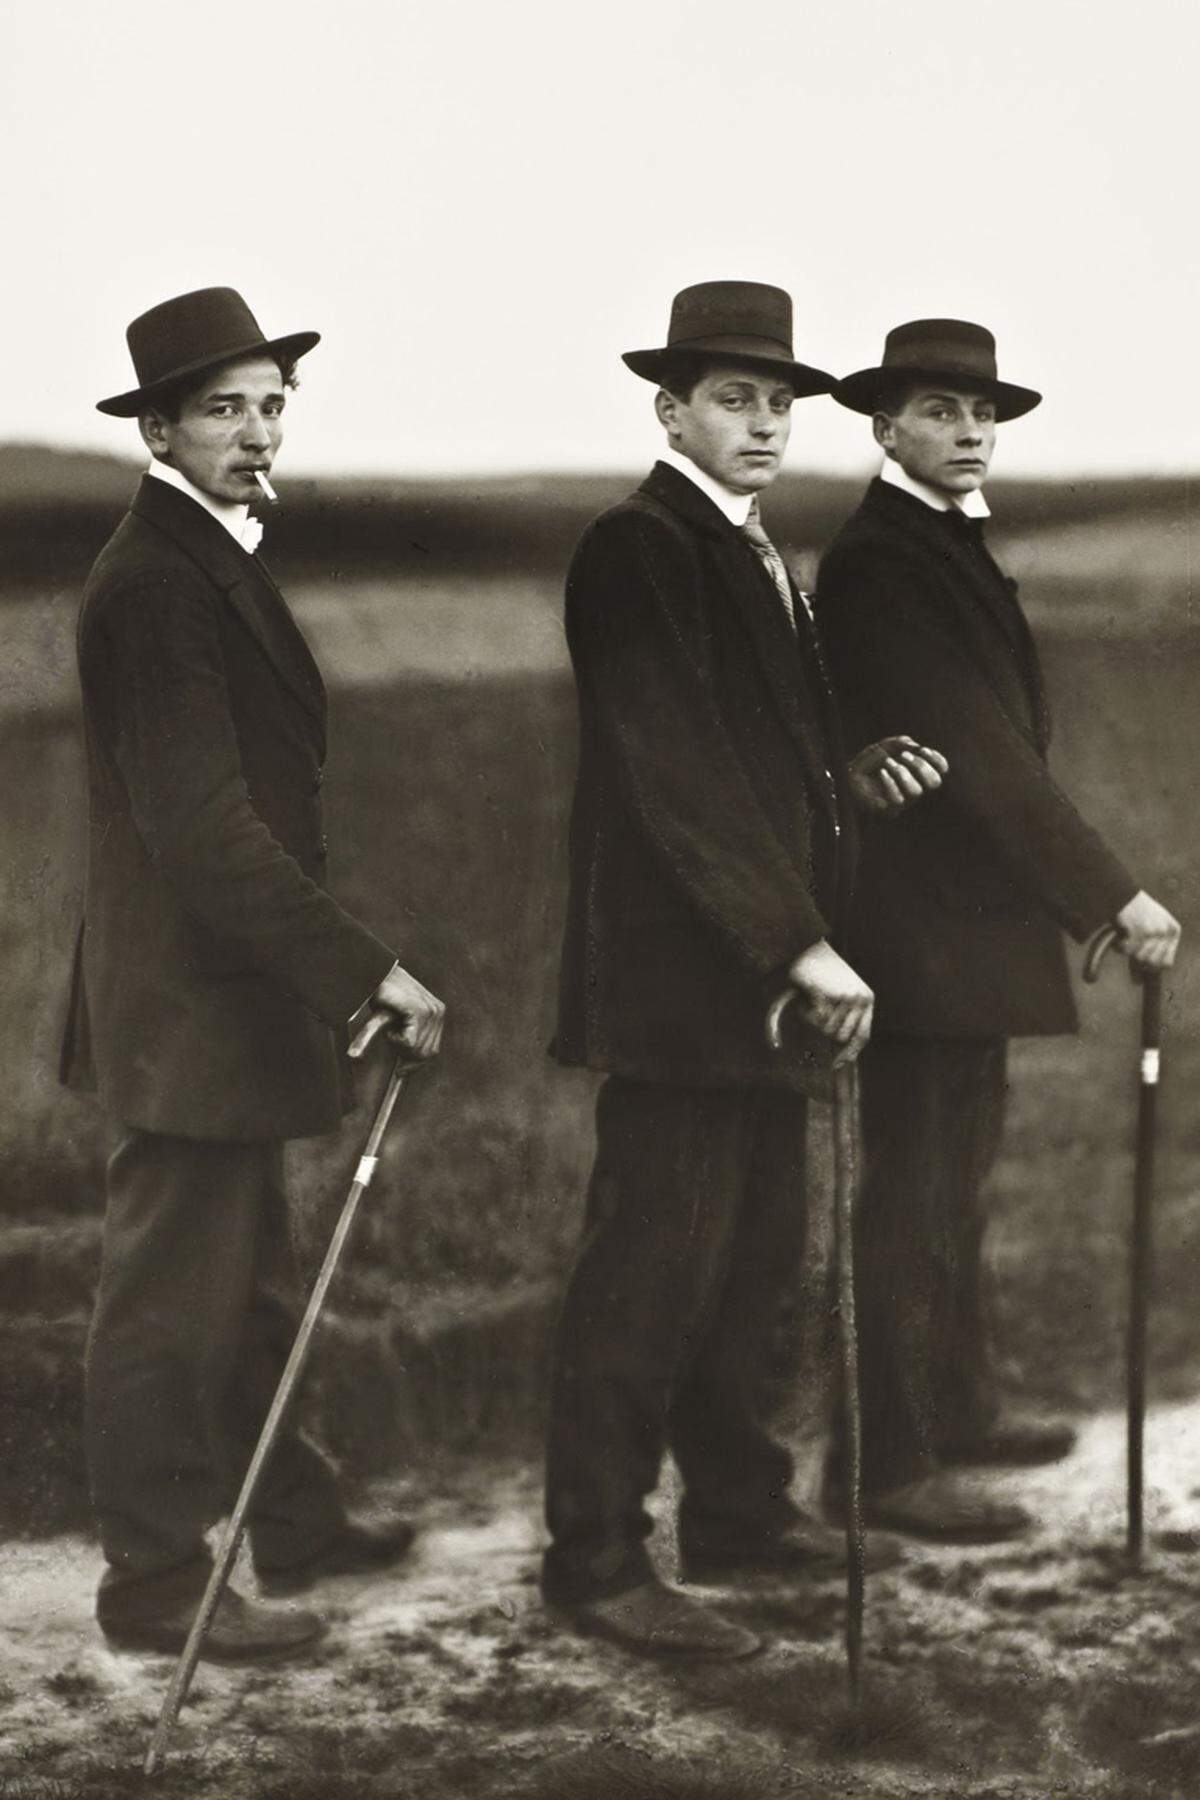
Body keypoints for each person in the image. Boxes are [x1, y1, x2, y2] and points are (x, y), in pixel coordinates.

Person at [543, 281, 947, 1659]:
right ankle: (594, 1561)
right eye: (734, 398)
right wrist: (797, 939)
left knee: (757, 1261)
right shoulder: (639, 548)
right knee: (649, 1270)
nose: (765, 422)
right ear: (672, 408)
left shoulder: (755, 551)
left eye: (779, 402)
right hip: (682, 985)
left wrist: (846, 776)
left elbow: (760, 756)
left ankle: (737, 1512)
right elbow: (678, 772)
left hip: (760, 983)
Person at [62, 287, 445, 1659]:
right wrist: (363, 974)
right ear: (158, 427)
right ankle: (155, 1589)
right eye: (225, 408)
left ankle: (294, 1518)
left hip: (222, 1001)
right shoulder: (159, 578)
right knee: (168, 1306)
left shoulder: (206, 554)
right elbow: (206, 831)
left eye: (273, 404)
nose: (258, 430)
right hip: (186, 1006)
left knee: (256, 1280)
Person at [816, 318, 1181, 1541]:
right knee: (912, 1192)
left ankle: (958, 1410)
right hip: (917, 932)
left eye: (983, 414)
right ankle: (883, 1465)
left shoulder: (941, 545)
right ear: (885, 428)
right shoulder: (883, 561)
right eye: (939, 411)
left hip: (967, 928)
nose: (969, 431)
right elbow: (976, 750)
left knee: (955, 1185)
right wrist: (1108, 894)